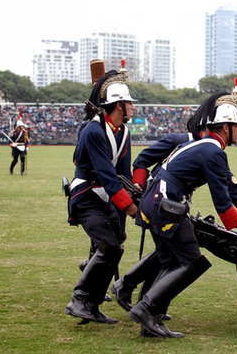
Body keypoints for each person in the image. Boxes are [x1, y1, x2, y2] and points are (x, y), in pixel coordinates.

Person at [111, 80, 237, 335]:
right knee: (191, 261)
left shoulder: (208, 147)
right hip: (166, 204)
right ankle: (147, 310)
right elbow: (223, 203)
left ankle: (147, 314)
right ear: (226, 127)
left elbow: (232, 187)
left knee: (171, 260)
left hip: (160, 202)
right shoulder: (212, 151)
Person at [64, 60, 138, 324]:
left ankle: (92, 305)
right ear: (119, 106)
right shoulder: (94, 130)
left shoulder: (124, 132)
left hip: (107, 197)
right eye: (129, 103)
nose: (132, 107)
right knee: (107, 245)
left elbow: (123, 174)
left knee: (114, 246)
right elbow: (106, 174)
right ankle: (79, 299)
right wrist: (129, 206)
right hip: (85, 196)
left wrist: (137, 193)